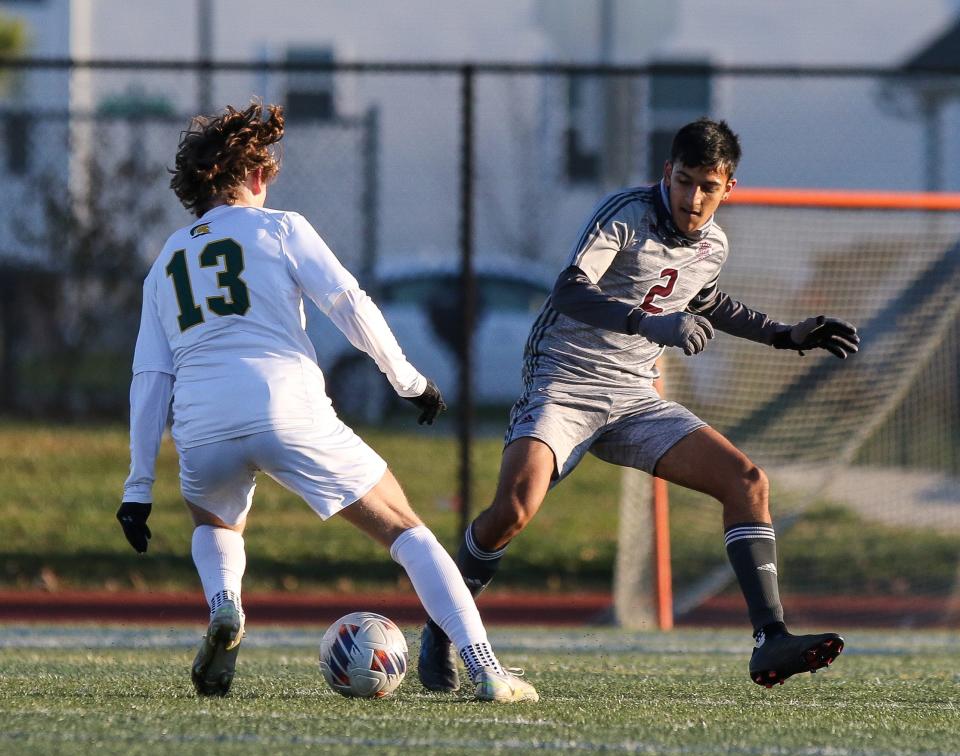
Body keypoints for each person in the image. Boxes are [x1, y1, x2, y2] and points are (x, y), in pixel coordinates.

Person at [115, 101, 537, 703]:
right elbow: (347, 302)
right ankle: (486, 668)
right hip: (286, 406)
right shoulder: (280, 227)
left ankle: (226, 605)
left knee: (215, 521)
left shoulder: (165, 262)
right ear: (256, 175)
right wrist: (407, 379)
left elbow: (149, 375)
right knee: (408, 531)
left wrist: (137, 487)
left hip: (201, 423)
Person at [419, 117, 859, 692]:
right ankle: (441, 627)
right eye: (683, 181)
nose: (693, 198)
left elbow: (707, 301)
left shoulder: (714, 244)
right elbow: (571, 289)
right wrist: (651, 323)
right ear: (666, 174)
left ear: (730, 189)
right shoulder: (624, 214)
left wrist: (784, 335)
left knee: (747, 482)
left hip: (634, 398)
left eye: (707, 186)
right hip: (564, 383)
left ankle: (770, 637)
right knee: (514, 511)